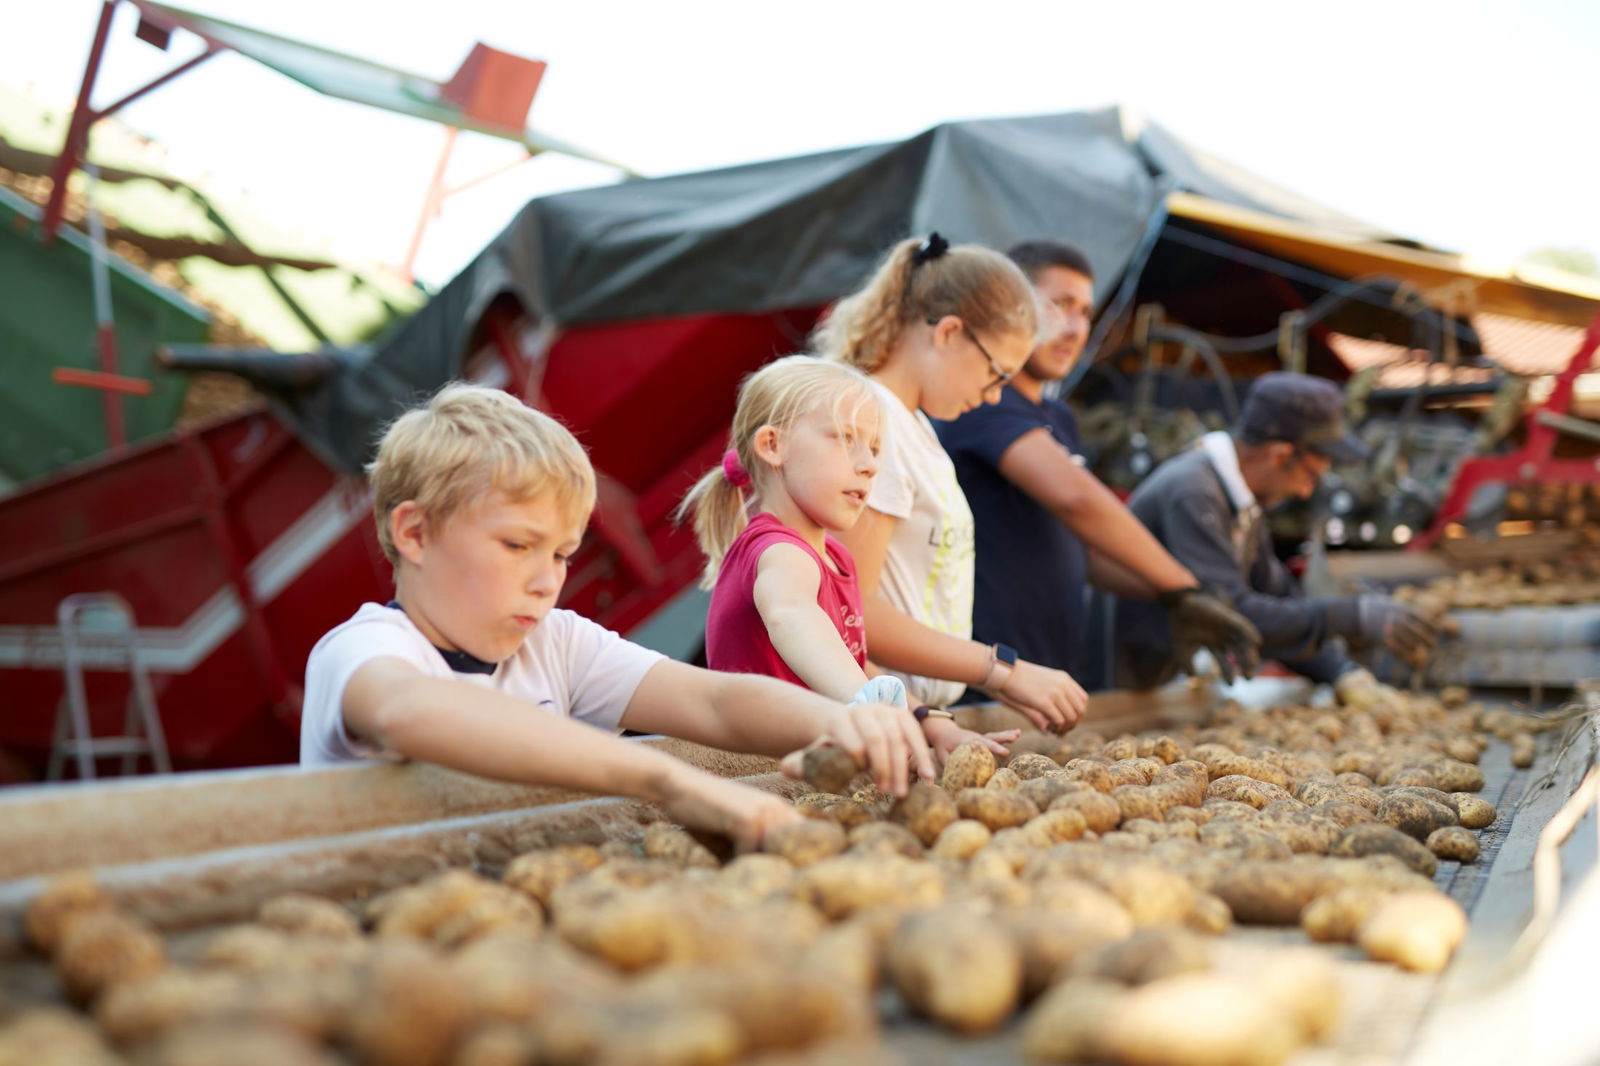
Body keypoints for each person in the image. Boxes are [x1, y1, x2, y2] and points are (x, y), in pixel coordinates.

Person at [301, 383, 935, 851]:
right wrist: (667, 778)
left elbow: (716, 703)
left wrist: (844, 721)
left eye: (561, 554)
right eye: (517, 546)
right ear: (414, 533)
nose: (546, 579)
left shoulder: (555, 644)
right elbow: (407, 710)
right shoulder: (361, 652)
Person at [934, 239, 1260, 690]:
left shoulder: (1059, 417)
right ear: (1009, 306)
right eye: (1059, 305)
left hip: (1049, 664)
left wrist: (1171, 598)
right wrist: (1186, 586)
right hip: (985, 666)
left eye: (1086, 312)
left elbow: (1082, 551)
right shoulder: (984, 400)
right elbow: (1077, 500)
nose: (1074, 327)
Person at [679, 355, 1017, 763]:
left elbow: (851, 659)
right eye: (845, 438)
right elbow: (790, 613)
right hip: (764, 774)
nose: (870, 465)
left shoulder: (836, 556)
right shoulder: (779, 551)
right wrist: (867, 706)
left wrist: (931, 720)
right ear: (773, 445)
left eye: (875, 449)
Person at [816, 233, 1089, 738]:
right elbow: (850, 614)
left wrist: (970, 696)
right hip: (868, 721)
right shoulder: (879, 425)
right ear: (947, 334)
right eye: (994, 374)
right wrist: (1003, 669)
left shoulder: (915, 427)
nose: (990, 397)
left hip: (895, 714)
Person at [1111, 371, 1438, 695]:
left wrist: (1338, 671)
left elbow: (1277, 596)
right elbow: (1230, 615)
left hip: (1160, 684)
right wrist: (1351, 615)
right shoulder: (1194, 493)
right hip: (1117, 682)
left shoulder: (1243, 505)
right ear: (1279, 455)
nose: (1307, 492)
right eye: (1311, 476)